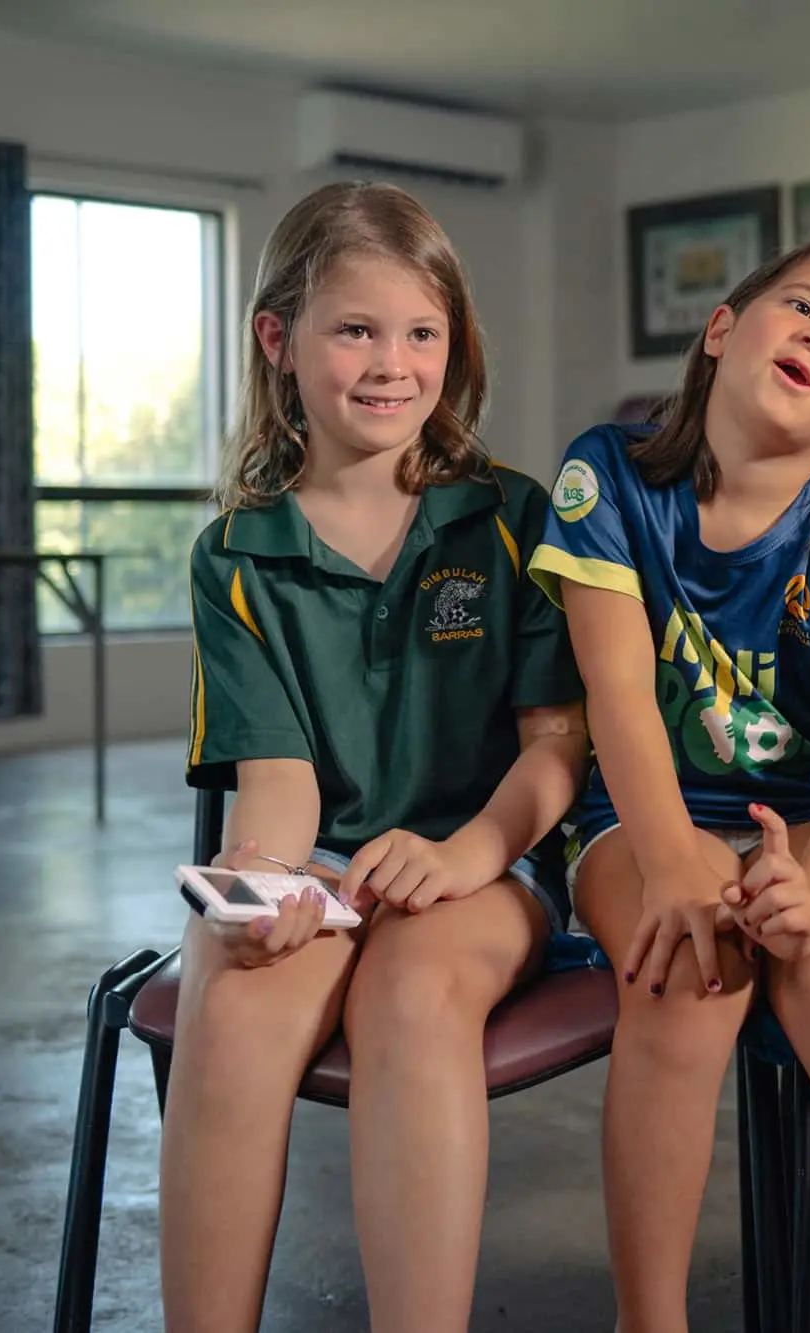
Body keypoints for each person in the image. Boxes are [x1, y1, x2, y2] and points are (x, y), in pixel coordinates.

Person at [162, 180, 588, 1333]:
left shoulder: (511, 515)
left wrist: (464, 855)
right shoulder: (235, 558)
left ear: (453, 345)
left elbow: (555, 745)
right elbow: (278, 777)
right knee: (234, 989)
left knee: (409, 993)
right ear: (278, 340)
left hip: (488, 867)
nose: (391, 362)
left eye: (421, 332)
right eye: (355, 329)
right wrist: (265, 883)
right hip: (329, 868)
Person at [530, 237, 810, 1333]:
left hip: (809, 819)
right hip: (641, 808)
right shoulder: (607, 475)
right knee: (690, 969)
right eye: (800, 305)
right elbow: (616, 694)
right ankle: (650, 1318)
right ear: (722, 327)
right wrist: (675, 859)